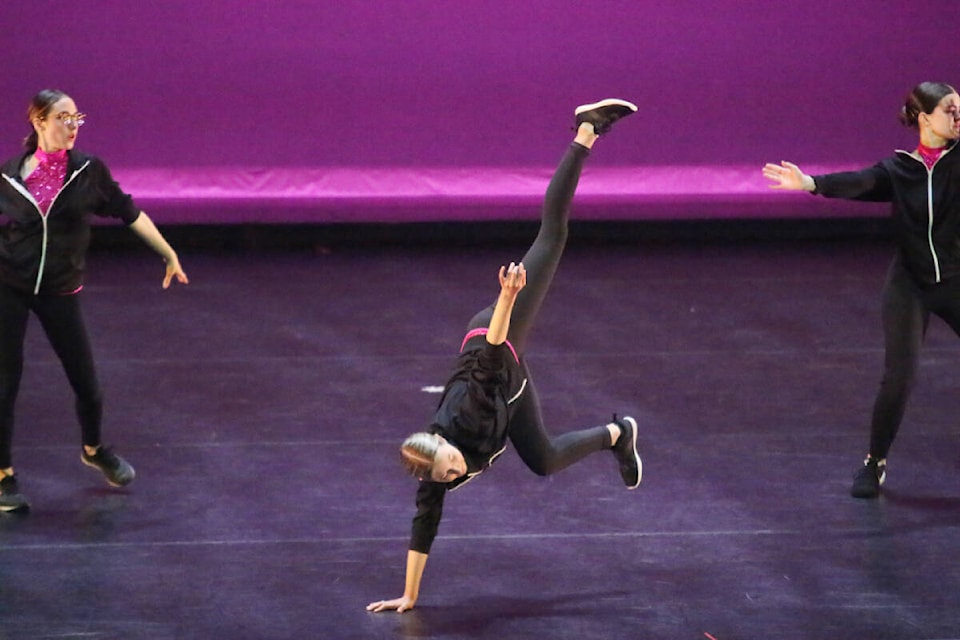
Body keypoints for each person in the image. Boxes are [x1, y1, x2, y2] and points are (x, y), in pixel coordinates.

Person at [366, 99, 642, 614]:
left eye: (449, 467)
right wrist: (408, 595)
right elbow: (424, 525)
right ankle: (618, 434)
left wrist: (510, 297)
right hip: (508, 389)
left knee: (553, 235)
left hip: (496, 340)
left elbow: (493, 351)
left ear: (441, 442)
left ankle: (586, 130)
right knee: (543, 461)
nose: (453, 474)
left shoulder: (464, 414)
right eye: (446, 476)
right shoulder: (433, 473)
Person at [762, 81, 960, 499]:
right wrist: (810, 184)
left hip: (956, 280)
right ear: (924, 118)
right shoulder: (900, 168)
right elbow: (860, 182)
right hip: (910, 284)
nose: (958, 116)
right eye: (949, 109)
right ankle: (875, 462)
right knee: (899, 379)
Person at [0, 89, 189, 513]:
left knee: (86, 381)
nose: (72, 126)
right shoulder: (11, 174)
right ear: (38, 121)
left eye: (76, 118)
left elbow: (129, 212)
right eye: (63, 117)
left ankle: (94, 448)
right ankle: (3, 476)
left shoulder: (87, 171)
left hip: (59, 288)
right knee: (4, 384)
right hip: (8, 284)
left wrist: (168, 252)